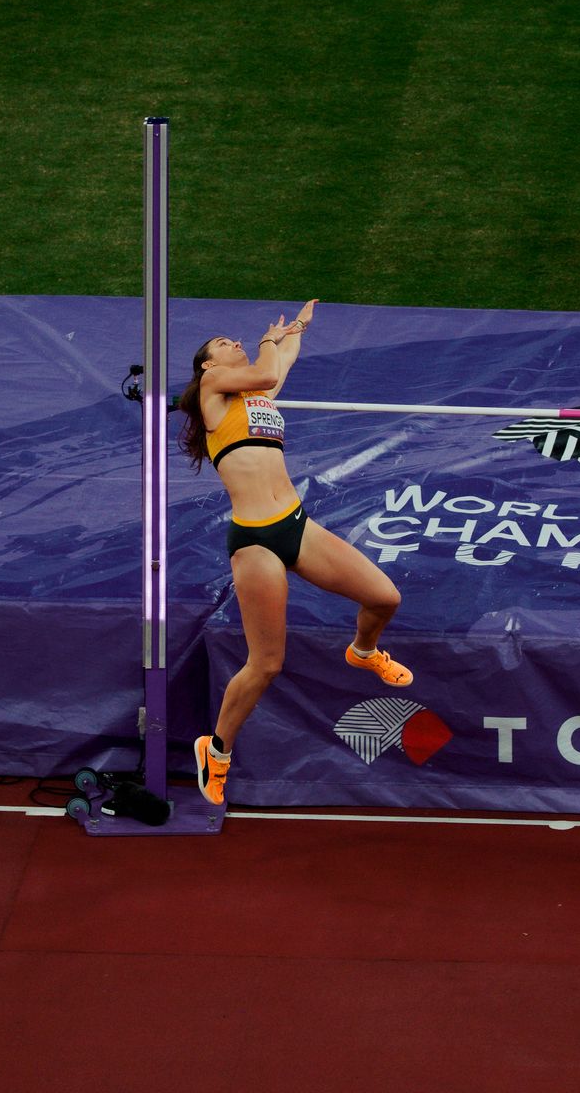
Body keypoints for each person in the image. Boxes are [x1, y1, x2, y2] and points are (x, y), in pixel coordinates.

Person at [176, 300, 411, 806]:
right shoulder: (213, 392)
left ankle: (363, 652)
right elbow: (266, 369)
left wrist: (296, 330)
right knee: (266, 664)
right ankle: (215, 752)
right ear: (208, 366)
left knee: (384, 598)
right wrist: (266, 342)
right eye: (222, 343)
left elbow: (281, 366)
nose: (232, 342)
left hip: (297, 526)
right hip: (256, 541)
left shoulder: (256, 396)